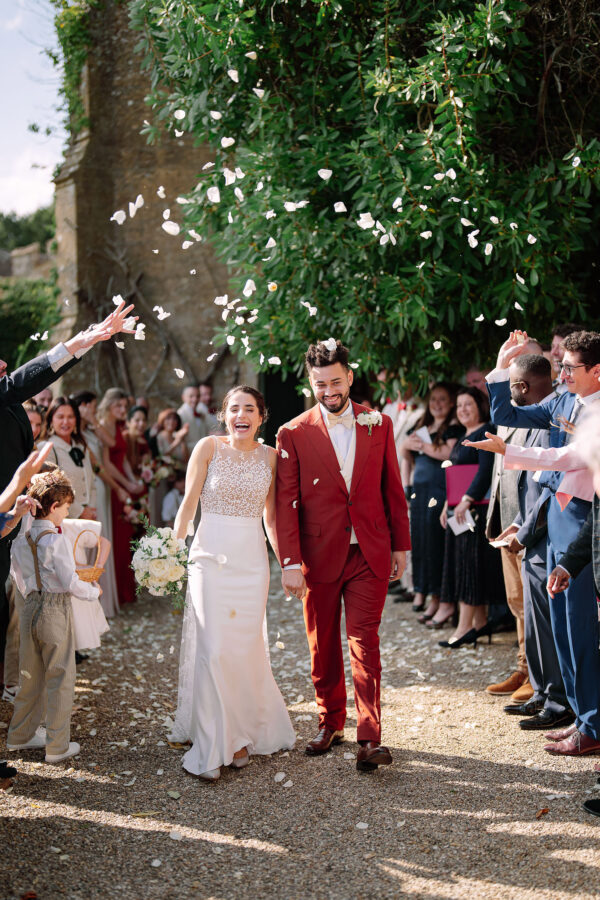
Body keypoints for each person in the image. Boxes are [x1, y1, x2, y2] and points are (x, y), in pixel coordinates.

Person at [276, 340, 410, 772]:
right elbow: (286, 501)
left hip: (369, 550)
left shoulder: (379, 424)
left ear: (349, 377)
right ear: (310, 383)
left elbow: (393, 489)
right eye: (320, 383)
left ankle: (369, 738)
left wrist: (400, 545)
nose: (329, 390)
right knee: (323, 646)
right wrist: (290, 562)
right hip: (318, 555)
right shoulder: (292, 432)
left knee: (365, 643)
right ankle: (330, 720)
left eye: (336, 381)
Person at [0, 299, 137, 688]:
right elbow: (31, 377)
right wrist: (87, 338)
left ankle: (19, 688)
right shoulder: (6, 395)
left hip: (12, 517)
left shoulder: (7, 404)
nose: (4, 363)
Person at [170, 386, 295, 781]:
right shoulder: (207, 447)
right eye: (235, 408)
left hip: (251, 562)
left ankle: (239, 736)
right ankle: (211, 744)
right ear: (224, 414)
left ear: (262, 416)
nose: (242, 414)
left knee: (243, 648)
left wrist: (289, 564)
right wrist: (169, 552)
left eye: (250, 409)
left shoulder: (272, 458)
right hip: (208, 559)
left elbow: (272, 519)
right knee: (214, 648)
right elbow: (189, 504)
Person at [486, 329, 600, 755]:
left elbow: (567, 458)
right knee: (562, 630)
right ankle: (577, 714)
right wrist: (500, 368)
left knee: (580, 628)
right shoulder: (562, 399)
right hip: (556, 515)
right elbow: (510, 413)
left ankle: (591, 723)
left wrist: (508, 453)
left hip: (583, 519)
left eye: (570, 367)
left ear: (597, 371)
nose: (562, 373)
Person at [475, 356, 570, 719]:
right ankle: (544, 693)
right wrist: (518, 523)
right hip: (528, 529)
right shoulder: (538, 410)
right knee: (533, 619)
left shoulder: (555, 418)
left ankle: (557, 698)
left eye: (512, 383)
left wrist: (527, 529)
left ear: (523, 386)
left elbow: (550, 486)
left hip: (547, 534)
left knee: (549, 623)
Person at [6, 470, 101, 763]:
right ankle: (57, 745)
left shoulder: (22, 539)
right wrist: (93, 591)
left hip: (29, 607)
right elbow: (70, 581)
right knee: (60, 675)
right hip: (54, 610)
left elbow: (16, 575)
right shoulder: (55, 541)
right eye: (66, 507)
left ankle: (19, 736)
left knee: (30, 675)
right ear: (55, 505)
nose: (67, 512)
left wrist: (30, 595)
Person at [438, 388, 505, 648]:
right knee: (466, 564)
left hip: (474, 510)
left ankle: (464, 627)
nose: (463, 409)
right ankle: (478, 624)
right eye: (459, 405)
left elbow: (485, 473)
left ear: (479, 406)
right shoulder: (462, 436)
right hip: (460, 508)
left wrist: (465, 500)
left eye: (468, 404)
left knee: (470, 565)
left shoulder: (486, 431)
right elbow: (455, 476)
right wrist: (448, 504)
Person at [400, 382, 461, 623]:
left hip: (440, 491)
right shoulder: (420, 425)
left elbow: (447, 453)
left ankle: (438, 596)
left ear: (451, 403)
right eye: (433, 399)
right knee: (420, 545)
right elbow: (406, 454)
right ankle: (421, 591)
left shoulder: (454, 427)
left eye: (442, 399)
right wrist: (406, 485)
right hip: (419, 491)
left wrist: (423, 446)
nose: (437, 404)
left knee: (436, 546)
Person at [72, 390, 125, 619]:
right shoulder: (74, 433)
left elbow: (110, 445)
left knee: (100, 542)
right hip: (83, 490)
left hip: (99, 489)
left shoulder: (93, 430)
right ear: (83, 405)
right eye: (91, 407)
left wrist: (93, 421)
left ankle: (102, 600)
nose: (93, 410)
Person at [97, 388, 143, 606]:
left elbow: (122, 458)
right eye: (119, 406)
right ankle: (114, 591)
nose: (123, 410)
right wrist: (124, 485)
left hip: (121, 483)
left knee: (125, 536)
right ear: (108, 405)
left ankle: (124, 590)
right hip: (110, 485)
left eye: (125, 406)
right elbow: (106, 463)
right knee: (116, 535)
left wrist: (133, 480)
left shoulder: (117, 426)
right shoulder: (102, 425)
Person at [37, 397, 97, 520]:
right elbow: (51, 488)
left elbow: (91, 483)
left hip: (88, 518)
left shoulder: (81, 447)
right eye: (60, 417)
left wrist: (91, 509)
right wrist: (80, 511)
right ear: (51, 420)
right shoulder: (47, 448)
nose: (66, 422)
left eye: (71, 417)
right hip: (63, 520)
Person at [178, 385, 209, 455]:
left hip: (203, 454)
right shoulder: (180, 415)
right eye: (191, 396)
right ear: (183, 397)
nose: (195, 400)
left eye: (197, 396)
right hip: (189, 456)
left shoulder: (202, 413)